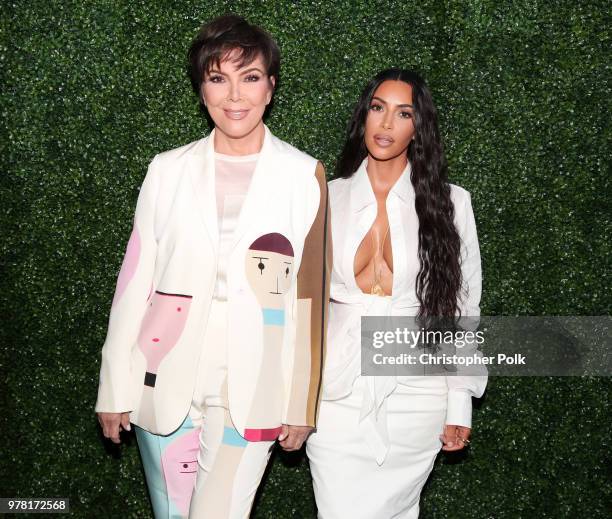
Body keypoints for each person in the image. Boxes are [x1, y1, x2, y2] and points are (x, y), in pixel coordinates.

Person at [95, 15, 330, 519]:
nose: (234, 95)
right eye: (218, 78)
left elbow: (308, 301)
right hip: (162, 373)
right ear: (202, 90)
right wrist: (114, 385)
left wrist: (301, 403)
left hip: (255, 382)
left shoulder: (302, 175)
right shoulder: (167, 170)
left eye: (250, 77)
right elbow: (134, 283)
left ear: (271, 87)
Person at [306, 69, 487, 518]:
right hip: (336, 390)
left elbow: (462, 309)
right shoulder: (326, 197)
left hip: (417, 393)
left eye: (402, 113)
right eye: (377, 108)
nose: (386, 124)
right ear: (363, 116)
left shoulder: (451, 204)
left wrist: (459, 400)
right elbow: (302, 304)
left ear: (418, 127)